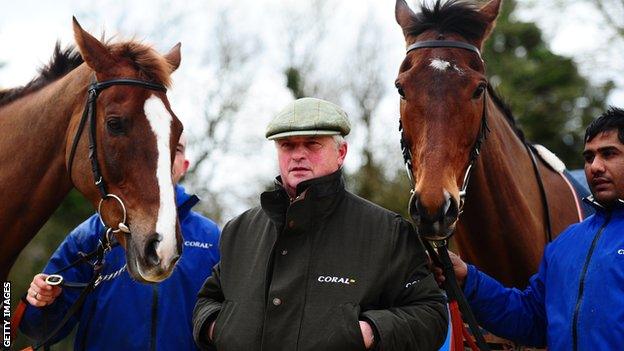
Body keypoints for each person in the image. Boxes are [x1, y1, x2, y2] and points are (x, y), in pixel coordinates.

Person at [192, 97, 448, 351]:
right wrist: (219, 328)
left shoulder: (388, 232)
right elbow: (207, 301)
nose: (298, 155)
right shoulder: (240, 230)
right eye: (287, 145)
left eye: (312, 144)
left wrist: (366, 332)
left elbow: (430, 314)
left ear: (341, 153)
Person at [435, 106, 624, 350]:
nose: (595, 166)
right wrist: (467, 279)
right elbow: (532, 319)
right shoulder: (565, 243)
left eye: (608, 154)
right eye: (589, 157)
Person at [20, 133, 221, 350]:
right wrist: (41, 302)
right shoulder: (91, 234)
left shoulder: (211, 238)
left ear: (184, 166)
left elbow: (227, 323)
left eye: (177, 148)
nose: (165, 153)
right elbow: (39, 330)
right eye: (157, 144)